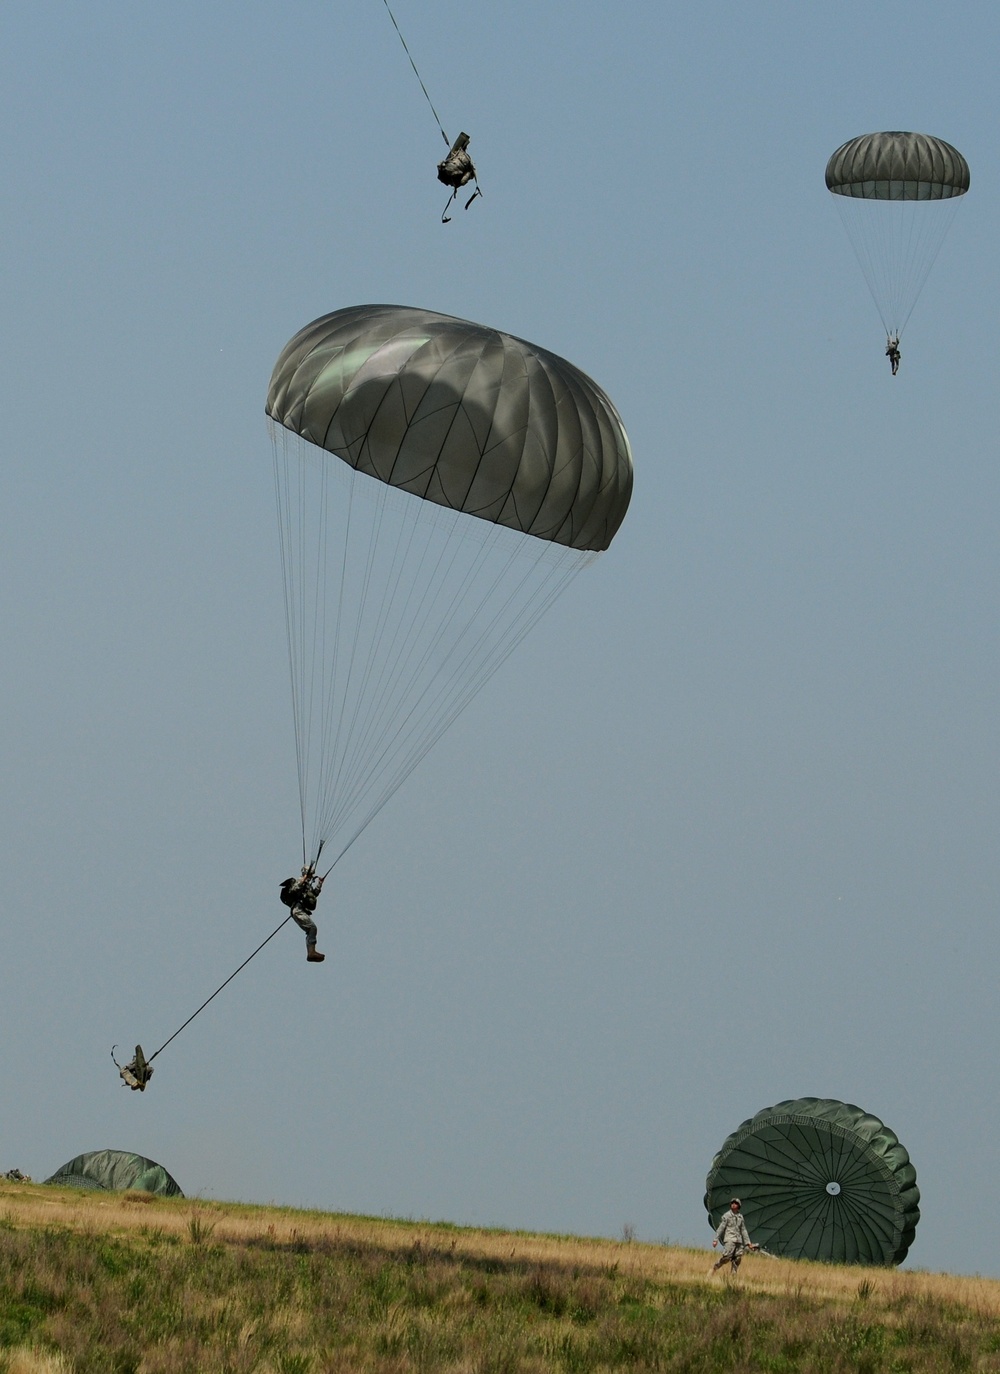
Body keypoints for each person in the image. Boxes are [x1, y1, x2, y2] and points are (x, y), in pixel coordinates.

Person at [280, 866, 326, 963]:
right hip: (297, 910)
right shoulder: (300, 881)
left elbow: (313, 895)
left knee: (311, 929)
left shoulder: (307, 885)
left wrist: (320, 884)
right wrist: (303, 880)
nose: (312, 876)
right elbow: (294, 890)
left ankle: (311, 952)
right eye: (310, 874)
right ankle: (311, 952)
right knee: (312, 928)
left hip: (301, 910)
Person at [437, 132, 481, 221]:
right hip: (460, 158)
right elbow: (440, 166)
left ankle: (463, 140)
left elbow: (466, 177)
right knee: (455, 153)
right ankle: (463, 140)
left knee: (456, 153)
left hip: (461, 159)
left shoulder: (454, 181)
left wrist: (470, 172)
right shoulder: (451, 179)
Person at [709, 1198, 756, 1275]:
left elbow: (743, 1230)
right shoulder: (727, 1216)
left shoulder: (740, 1217)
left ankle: (733, 1277)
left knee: (737, 1259)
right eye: (732, 1203)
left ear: (738, 1206)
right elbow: (721, 1228)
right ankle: (715, 1267)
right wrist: (715, 1239)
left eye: (736, 1203)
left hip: (738, 1241)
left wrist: (748, 1243)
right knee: (726, 1257)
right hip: (730, 1240)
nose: (733, 1204)